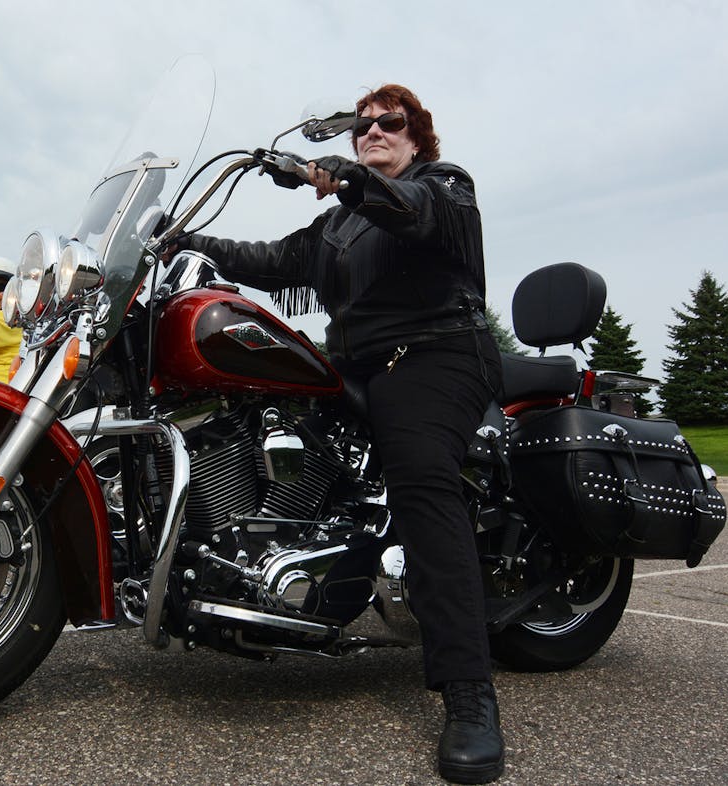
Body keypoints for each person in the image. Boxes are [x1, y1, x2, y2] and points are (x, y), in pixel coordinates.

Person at [175, 85, 505, 784]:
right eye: (362, 128)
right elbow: (267, 257)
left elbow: (415, 215)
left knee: (422, 484)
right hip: (357, 364)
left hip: (434, 354)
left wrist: (347, 181)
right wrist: (182, 241)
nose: (373, 132)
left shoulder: (441, 186)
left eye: (391, 122)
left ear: (418, 136)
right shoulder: (337, 228)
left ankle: (470, 693)